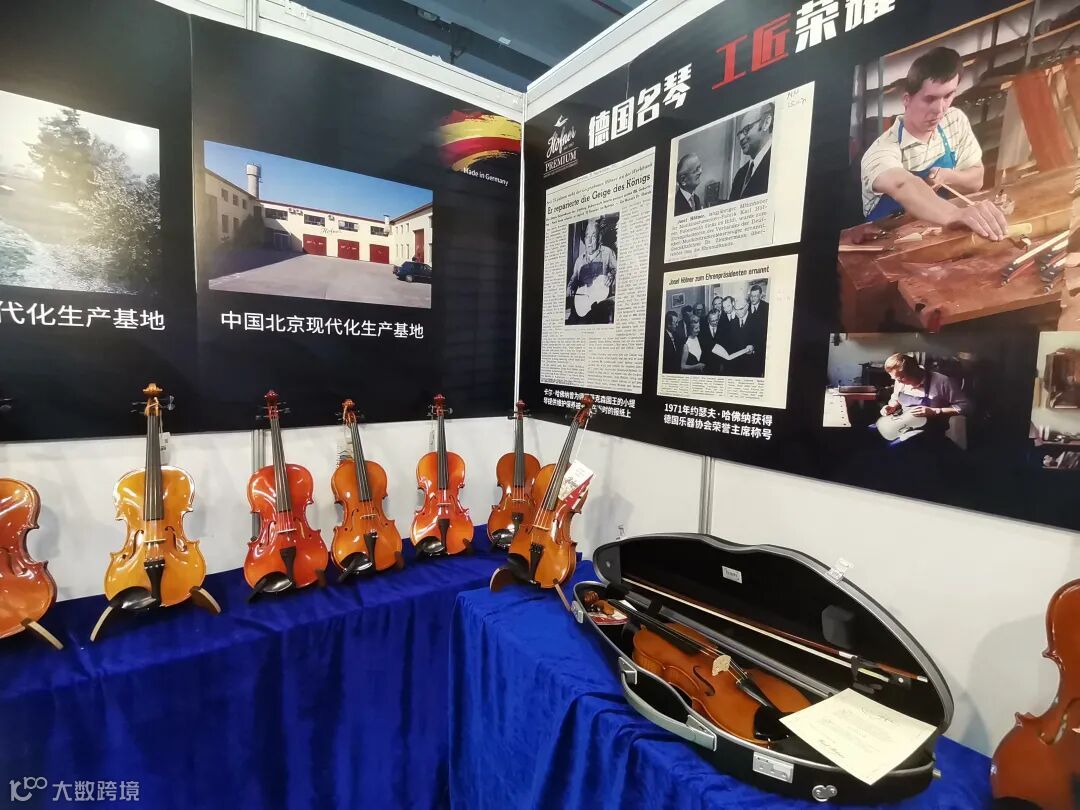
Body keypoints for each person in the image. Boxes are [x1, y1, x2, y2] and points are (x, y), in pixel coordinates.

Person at [861, 47, 1007, 240]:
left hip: (935, 233)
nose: (939, 109)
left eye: (948, 96)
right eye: (929, 99)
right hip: (885, 242)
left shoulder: (954, 121)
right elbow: (902, 184)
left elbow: (976, 180)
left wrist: (948, 177)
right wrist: (956, 215)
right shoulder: (881, 151)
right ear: (907, 100)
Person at [879, 353, 969, 439]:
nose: (898, 382)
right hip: (905, 428)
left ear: (914, 371)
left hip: (931, 434)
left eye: (901, 378)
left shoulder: (942, 381)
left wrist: (935, 411)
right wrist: (892, 407)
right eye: (895, 379)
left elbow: (965, 407)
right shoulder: (899, 382)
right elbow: (895, 399)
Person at [566, 218, 617, 324]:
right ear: (584, 239)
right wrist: (570, 288)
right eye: (587, 236)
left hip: (600, 305)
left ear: (599, 238)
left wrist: (612, 276)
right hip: (582, 305)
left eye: (593, 236)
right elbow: (573, 281)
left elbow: (619, 271)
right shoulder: (579, 260)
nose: (589, 241)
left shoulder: (607, 253)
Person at [729, 102, 773, 201]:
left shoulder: (779, 161)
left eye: (746, 129)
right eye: (740, 133)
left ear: (766, 123)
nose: (741, 138)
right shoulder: (740, 174)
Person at [744, 285, 769, 376]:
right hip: (746, 349)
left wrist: (755, 347)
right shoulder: (745, 307)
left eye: (755, 296)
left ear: (761, 295)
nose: (753, 298)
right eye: (751, 296)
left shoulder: (767, 307)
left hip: (761, 349)